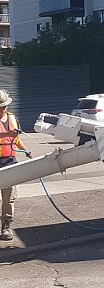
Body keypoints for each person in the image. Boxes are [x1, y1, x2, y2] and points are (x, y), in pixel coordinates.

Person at [0, 89, 33, 241]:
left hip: (9, 162)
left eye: (4, 106)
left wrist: (26, 150)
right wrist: (7, 135)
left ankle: (6, 226)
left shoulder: (12, 118)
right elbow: (8, 135)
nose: (2, 109)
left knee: (9, 197)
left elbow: (17, 139)